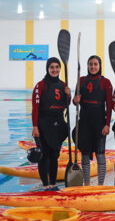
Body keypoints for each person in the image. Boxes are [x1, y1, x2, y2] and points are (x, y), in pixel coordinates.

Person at [73, 55, 113, 186]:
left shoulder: (106, 82)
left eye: (96, 64)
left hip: (99, 123)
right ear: (87, 65)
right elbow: (75, 101)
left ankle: (100, 184)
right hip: (84, 122)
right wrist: (75, 101)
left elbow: (109, 106)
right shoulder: (81, 80)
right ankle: (87, 183)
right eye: (91, 64)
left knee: (100, 155)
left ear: (100, 66)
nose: (93, 67)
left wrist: (107, 125)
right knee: (85, 154)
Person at [32, 57, 71, 191]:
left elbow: (65, 105)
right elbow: (35, 107)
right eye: (52, 67)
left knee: (54, 155)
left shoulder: (63, 85)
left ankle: (53, 184)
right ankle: (45, 185)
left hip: (58, 123)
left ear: (60, 68)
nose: (54, 70)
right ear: (48, 69)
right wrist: (35, 126)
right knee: (44, 155)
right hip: (44, 123)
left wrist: (69, 96)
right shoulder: (40, 85)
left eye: (56, 67)